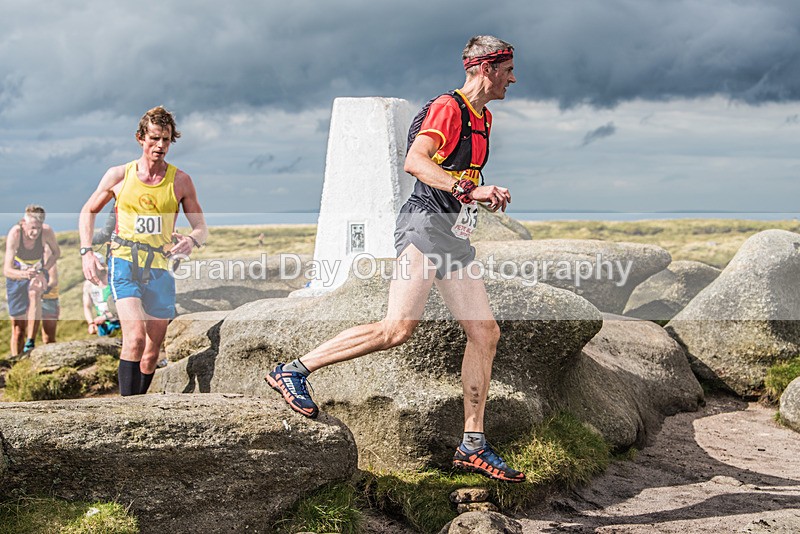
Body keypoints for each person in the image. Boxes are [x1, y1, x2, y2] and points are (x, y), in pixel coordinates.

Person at [266, 36, 524, 482]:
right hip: (424, 226)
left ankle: (473, 444)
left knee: (485, 333)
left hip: (452, 234)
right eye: (507, 69)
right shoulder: (449, 106)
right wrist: (470, 190)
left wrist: (481, 192)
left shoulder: (484, 117)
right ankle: (292, 371)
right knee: (398, 329)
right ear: (485, 67)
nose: (513, 78)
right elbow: (415, 162)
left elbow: (456, 172)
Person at [79, 106, 208, 396]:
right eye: (154, 138)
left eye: (166, 140)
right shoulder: (119, 175)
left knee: (151, 353)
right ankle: (127, 415)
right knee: (134, 339)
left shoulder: (180, 181)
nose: (160, 146)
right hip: (124, 262)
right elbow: (88, 211)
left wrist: (191, 240)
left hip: (160, 268)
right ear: (140, 138)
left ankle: (139, 404)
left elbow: (201, 227)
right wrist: (87, 251)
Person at [3, 205, 61, 355]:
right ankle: (16, 359)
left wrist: (44, 270)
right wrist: (24, 274)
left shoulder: (46, 231)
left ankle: (31, 341)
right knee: (17, 329)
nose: (35, 232)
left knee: (34, 292)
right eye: (32, 227)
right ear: (24, 222)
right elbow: (7, 270)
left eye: (39, 227)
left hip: (37, 272)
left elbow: (56, 252)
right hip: (17, 276)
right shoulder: (15, 234)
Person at [82, 253, 121, 337]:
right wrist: (91, 323)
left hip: (119, 322)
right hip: (102, 325)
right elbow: (87, 306)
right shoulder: (88, 284)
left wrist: (106, 317)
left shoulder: (114, 279)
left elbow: (123, 305)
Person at [40, 262, 60, 343]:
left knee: (48, 337)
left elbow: (53, 281)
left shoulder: (48, 254)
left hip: (49, 298)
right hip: (30, 297)